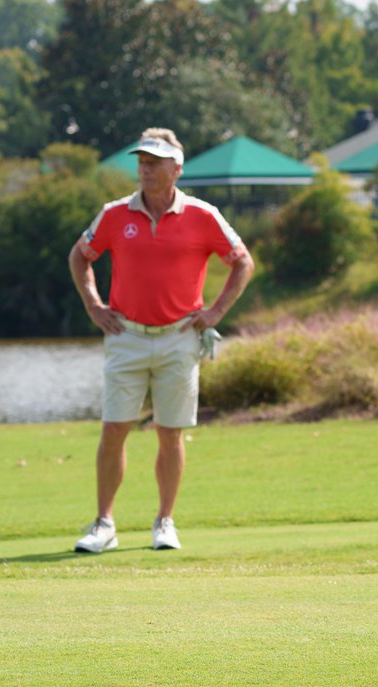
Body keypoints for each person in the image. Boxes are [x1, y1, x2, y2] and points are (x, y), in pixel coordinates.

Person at [68, 128, 255, 554]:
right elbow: (80, 256)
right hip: (127, 335)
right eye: (142, 162)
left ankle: (164, 522)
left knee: (170, 433)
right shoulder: (115, 214)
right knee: (114, 428)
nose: (146, 169)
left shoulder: (202, 215)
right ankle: (104, 524)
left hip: (179, 339)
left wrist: (215, 313)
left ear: (177, 168)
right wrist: (94, 305)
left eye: (155, 163)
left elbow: (242, 262)